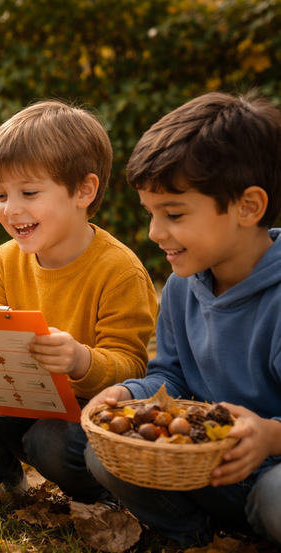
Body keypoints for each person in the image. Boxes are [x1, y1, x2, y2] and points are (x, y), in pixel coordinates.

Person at [0, 100, 158, 505]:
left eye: (28, 192)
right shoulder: (4, 260)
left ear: (84, 190)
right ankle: (2, 478)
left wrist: (80, 360)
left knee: (51, 441)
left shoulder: (119, 270)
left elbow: (132, 368)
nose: (11, 209)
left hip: (84, 413)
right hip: (16, 397)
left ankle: (100, 493)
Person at [83, 92, 281, 548]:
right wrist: (127, 393)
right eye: (151, 214)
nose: (155, 232)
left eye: (173, 214)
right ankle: (194, 537)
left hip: (270, 473)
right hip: (204, 471)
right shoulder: (181, 288)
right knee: (103, 456)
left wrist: (269, 436)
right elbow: (169, 373)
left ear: (248, 207)